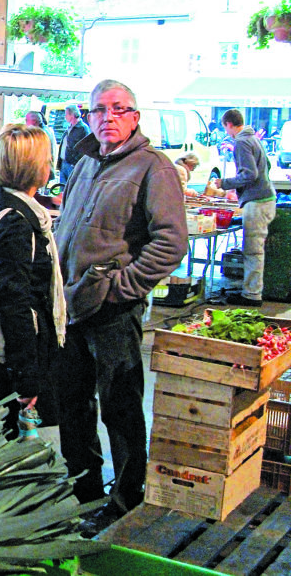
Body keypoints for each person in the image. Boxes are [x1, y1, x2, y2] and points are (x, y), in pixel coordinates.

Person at [55, 79, 187, 536]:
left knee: (121, 406)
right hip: (70, 307)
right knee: (72, 404)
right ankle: (83, 487)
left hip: (114, 309)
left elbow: (171, 243)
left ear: (134, 117)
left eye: (118, 109)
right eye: (99, 110)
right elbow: (66, 223)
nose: (107, 117)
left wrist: (122, 287)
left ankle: (128, 497)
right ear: (88, 116)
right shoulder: (85, 163)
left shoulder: (153, 168)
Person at [0, 124, 66, 438]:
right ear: (35, 166)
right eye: (47, 158)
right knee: (12, 446)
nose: (50, 165)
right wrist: (25, 379)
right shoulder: (18, 222)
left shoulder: (3, 209)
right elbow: (16, 301)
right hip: (7, 360)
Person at [214, 109, 276, 306]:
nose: (227, 132)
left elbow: (249, 175)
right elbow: (266, 165)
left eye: (225, 128)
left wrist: (225, 183)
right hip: (265, 199)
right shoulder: (254, 138)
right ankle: (252, 291)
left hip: (257, 203)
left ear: (228, 124)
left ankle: (251, 295)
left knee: (253, 252)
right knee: (255, 251)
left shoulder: (241, 141)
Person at [58, 104, 89, 184]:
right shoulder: (69, 127)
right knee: (62, 190)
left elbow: (85, 148)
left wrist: (75, 163)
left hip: (72, 165)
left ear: (72, 115)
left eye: (66, 114)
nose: (65, 117)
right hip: (64, 163)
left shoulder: (83, 128)